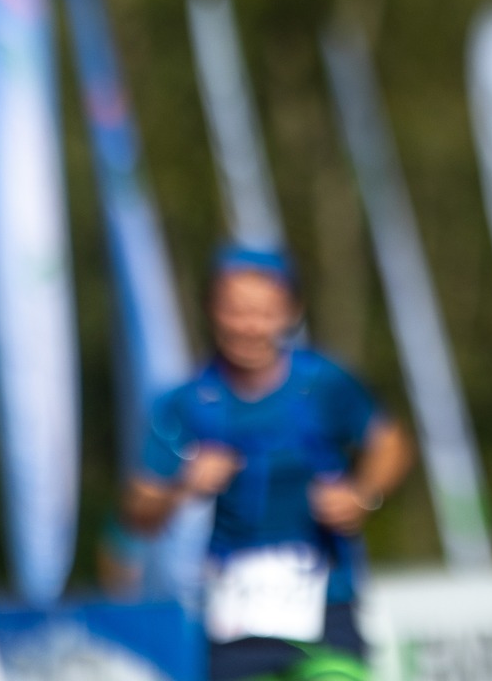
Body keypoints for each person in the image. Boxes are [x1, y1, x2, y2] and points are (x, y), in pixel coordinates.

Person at [123, 246, 413, 681]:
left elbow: (390, 442)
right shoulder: (184, 403)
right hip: (233, 617)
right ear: (212, 311)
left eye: (264, 313)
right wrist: (184, 486)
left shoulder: (323, 383)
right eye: (235, 311)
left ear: (292, 312)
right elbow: (138, 512)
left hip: (324, 602)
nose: (249, 326)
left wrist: (362, 494)